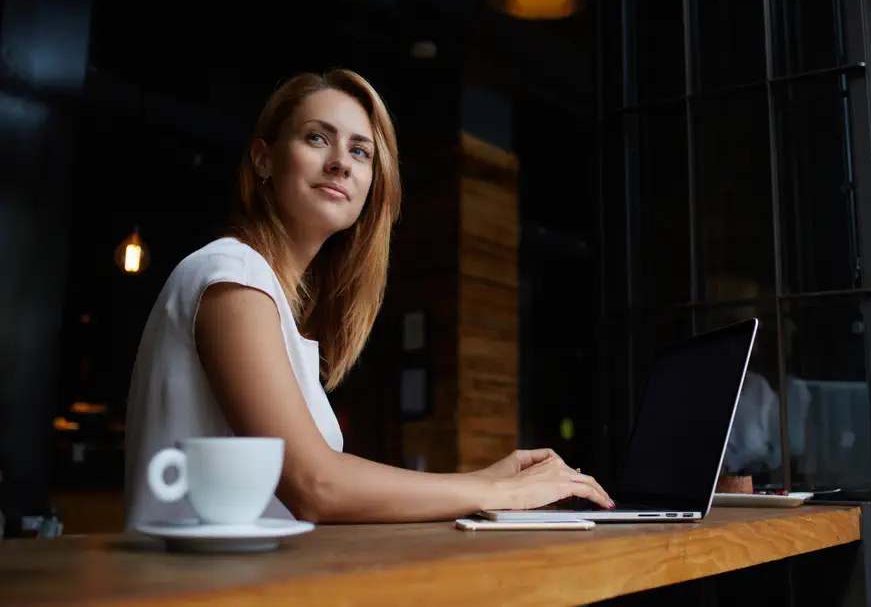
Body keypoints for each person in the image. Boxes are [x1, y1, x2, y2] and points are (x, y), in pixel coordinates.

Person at [123, 70, 612, 528]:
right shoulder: (232, 276)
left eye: (361, 151)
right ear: (264, 159)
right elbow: (315, 485)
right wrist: (493, 490)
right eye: (317, 137)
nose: (340, 162)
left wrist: (491, 482)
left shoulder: (267, 297)